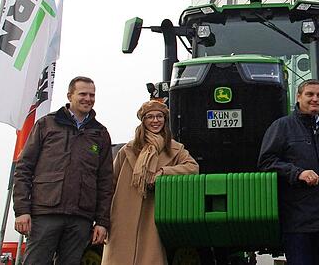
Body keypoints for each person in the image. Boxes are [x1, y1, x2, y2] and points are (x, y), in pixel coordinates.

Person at [13, 76, 114, 265]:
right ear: (70, 95)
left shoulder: (100, 134)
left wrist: (102, 221)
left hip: (80, 219)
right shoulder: (46, 124)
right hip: (45, 214)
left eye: (92, 95)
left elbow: (105, 182)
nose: (88, 99)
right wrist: (22, 210)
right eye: (82, 94)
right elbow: (24, 168)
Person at [258, 79, 319, 265]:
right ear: (298, 97)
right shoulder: (282, 127)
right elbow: (266, 162)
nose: (315, 99)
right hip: (298, 223)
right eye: (310, 94)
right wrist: (297, 173)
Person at [101, 100, 199, 264]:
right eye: (150, 117)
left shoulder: (175, 149)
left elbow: (193, 167)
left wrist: (164, 172)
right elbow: (110, 183)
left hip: (152, 214)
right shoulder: (127, 150)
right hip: (122, 215)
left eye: (159, 116)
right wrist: (103, 219)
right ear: (143, 121)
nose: (155, 121)